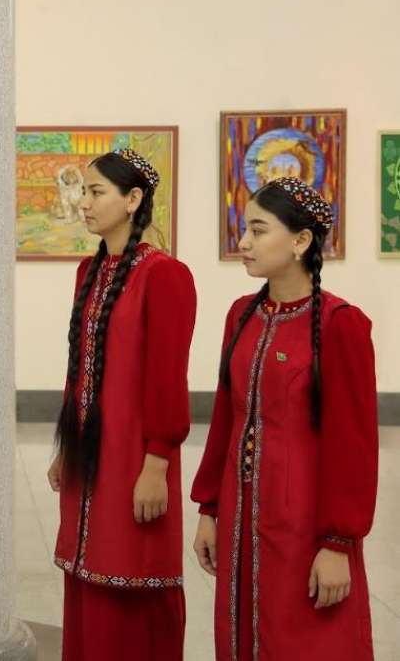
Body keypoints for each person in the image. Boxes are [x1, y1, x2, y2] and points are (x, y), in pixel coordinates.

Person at [191, 176, 377, 660]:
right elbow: (226, 421)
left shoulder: (340, 324)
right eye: (244, 230)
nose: (243, 243)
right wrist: (209, 510)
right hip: (240, 515)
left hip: (303, 523)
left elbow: (354, 446)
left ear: (300, 241)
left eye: (257, 231)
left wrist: (337, 543)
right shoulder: (241, 316)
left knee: (303, 639)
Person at [47, 148, 195, 661]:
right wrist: (66, 448)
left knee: (130, 569)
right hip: (89, 454)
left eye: (96, 192)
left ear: (132, 200)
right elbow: (78, 371)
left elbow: (168, 379)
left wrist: (157, 463)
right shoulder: (88, 271)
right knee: (85, 568)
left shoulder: (165, 275)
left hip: (134, 455)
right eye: (83, 192)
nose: (84, 203)